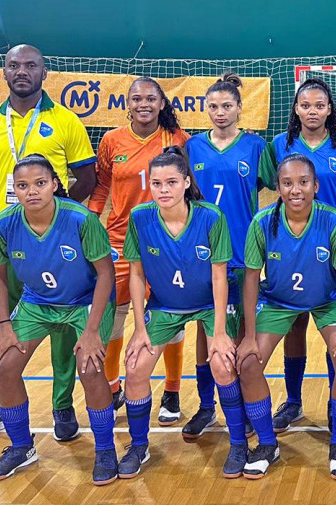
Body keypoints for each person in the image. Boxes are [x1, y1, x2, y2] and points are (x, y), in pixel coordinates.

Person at [0, 44, 97, 444]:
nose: (22, 71)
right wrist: (13, 214)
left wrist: (55, 216)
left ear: (44, 72)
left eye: (30, 65)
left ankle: (62, 406)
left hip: (54, 245)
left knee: (62, 324)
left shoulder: (66, 120)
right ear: (4, 73)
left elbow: (86, 178)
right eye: (14, 65)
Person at [0, 154, 116, 484]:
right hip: (37, 301)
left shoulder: (80, 220)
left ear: (55, 185)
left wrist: (92, 330)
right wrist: (4, 326)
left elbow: (106, 274)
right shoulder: (3, 224)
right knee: (4, 366)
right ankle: (21, 447)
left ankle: (105, 449)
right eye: (22, 185)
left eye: (40, 183)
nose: (32, 191)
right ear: (14, 189)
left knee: (90, 368)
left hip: (84, 301)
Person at [118, 147, 246, 479]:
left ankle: (238, 443)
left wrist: (220, 332)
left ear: (187, 182)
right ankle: (138, 446)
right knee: (135, 368)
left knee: (222, 364)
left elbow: (219, 276)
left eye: (171, 182)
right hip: (165, 305)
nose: (163, 190)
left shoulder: (211, 217)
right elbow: (136, 274)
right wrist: (139, 328)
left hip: (209, 304)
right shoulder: (140, 217)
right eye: (157, 183)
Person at [237, 154, 336, 481]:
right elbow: (251, 279)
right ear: (277, 187)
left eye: (303, 182)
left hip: (326, 300)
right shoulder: (262, 222)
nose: (296, 190)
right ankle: (267, 444)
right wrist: (248, 336)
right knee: (247, 363)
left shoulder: (333, 220)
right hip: (277, 301)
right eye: (287, 183)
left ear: (315, 186)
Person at [258, 78, 336, 432]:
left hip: (335, 246)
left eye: (319, 105)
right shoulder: (279, 145)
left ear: (330, 109)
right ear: (296, 109)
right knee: (294, 324)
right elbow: (266, 185)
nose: (313, 111)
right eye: (305, 105)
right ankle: (293, 400)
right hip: (291, 246)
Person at [89, 77, 190, 425]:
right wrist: (90, 222)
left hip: (166, 242)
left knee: (170, 315)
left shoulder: (178, 140)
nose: (143, 104)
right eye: (136, 98)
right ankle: (112, 386)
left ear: (162, 103)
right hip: (120, 240)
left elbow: (190, 188)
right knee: (113, 317)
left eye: (150, 98)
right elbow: (102, 186)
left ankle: (172, 390)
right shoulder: (111, 140)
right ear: (127, 104)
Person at [183, 72, 269, 439]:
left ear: (239, 108)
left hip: (241, 250)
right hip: (202, 251)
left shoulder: (255, 146)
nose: (220, 112)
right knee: (207, 331)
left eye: (227, 106)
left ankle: (243, 407)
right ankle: (206, 406)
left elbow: (266, 183)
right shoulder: (193, 147)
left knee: (239, 332)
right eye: (213, 106)